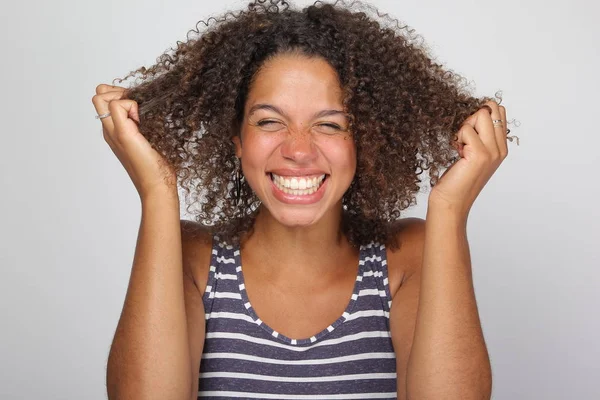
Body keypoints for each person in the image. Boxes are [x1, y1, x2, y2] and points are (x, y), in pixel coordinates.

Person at [92, 1, 513, 399]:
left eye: (330, 125)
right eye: (270, 121)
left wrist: (449, 211)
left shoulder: (408, 258)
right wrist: (158, 191)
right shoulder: (192, 259)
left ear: (363, 142)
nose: (298, 150)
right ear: (237, 139)